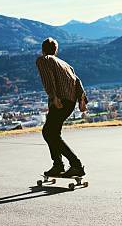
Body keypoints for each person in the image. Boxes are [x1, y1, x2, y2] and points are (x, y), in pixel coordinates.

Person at [36, 37, 87, 177]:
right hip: (70, 102)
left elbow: (48, 78)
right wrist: (82, 99)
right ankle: (58, 165)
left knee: (48, 132)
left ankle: (75, 165)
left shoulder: (44, 60)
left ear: (43, 50)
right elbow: (77, 81)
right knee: (54, 134)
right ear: (56, 50)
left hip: (60, 101)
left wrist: (54, 97)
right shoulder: (65, 64)